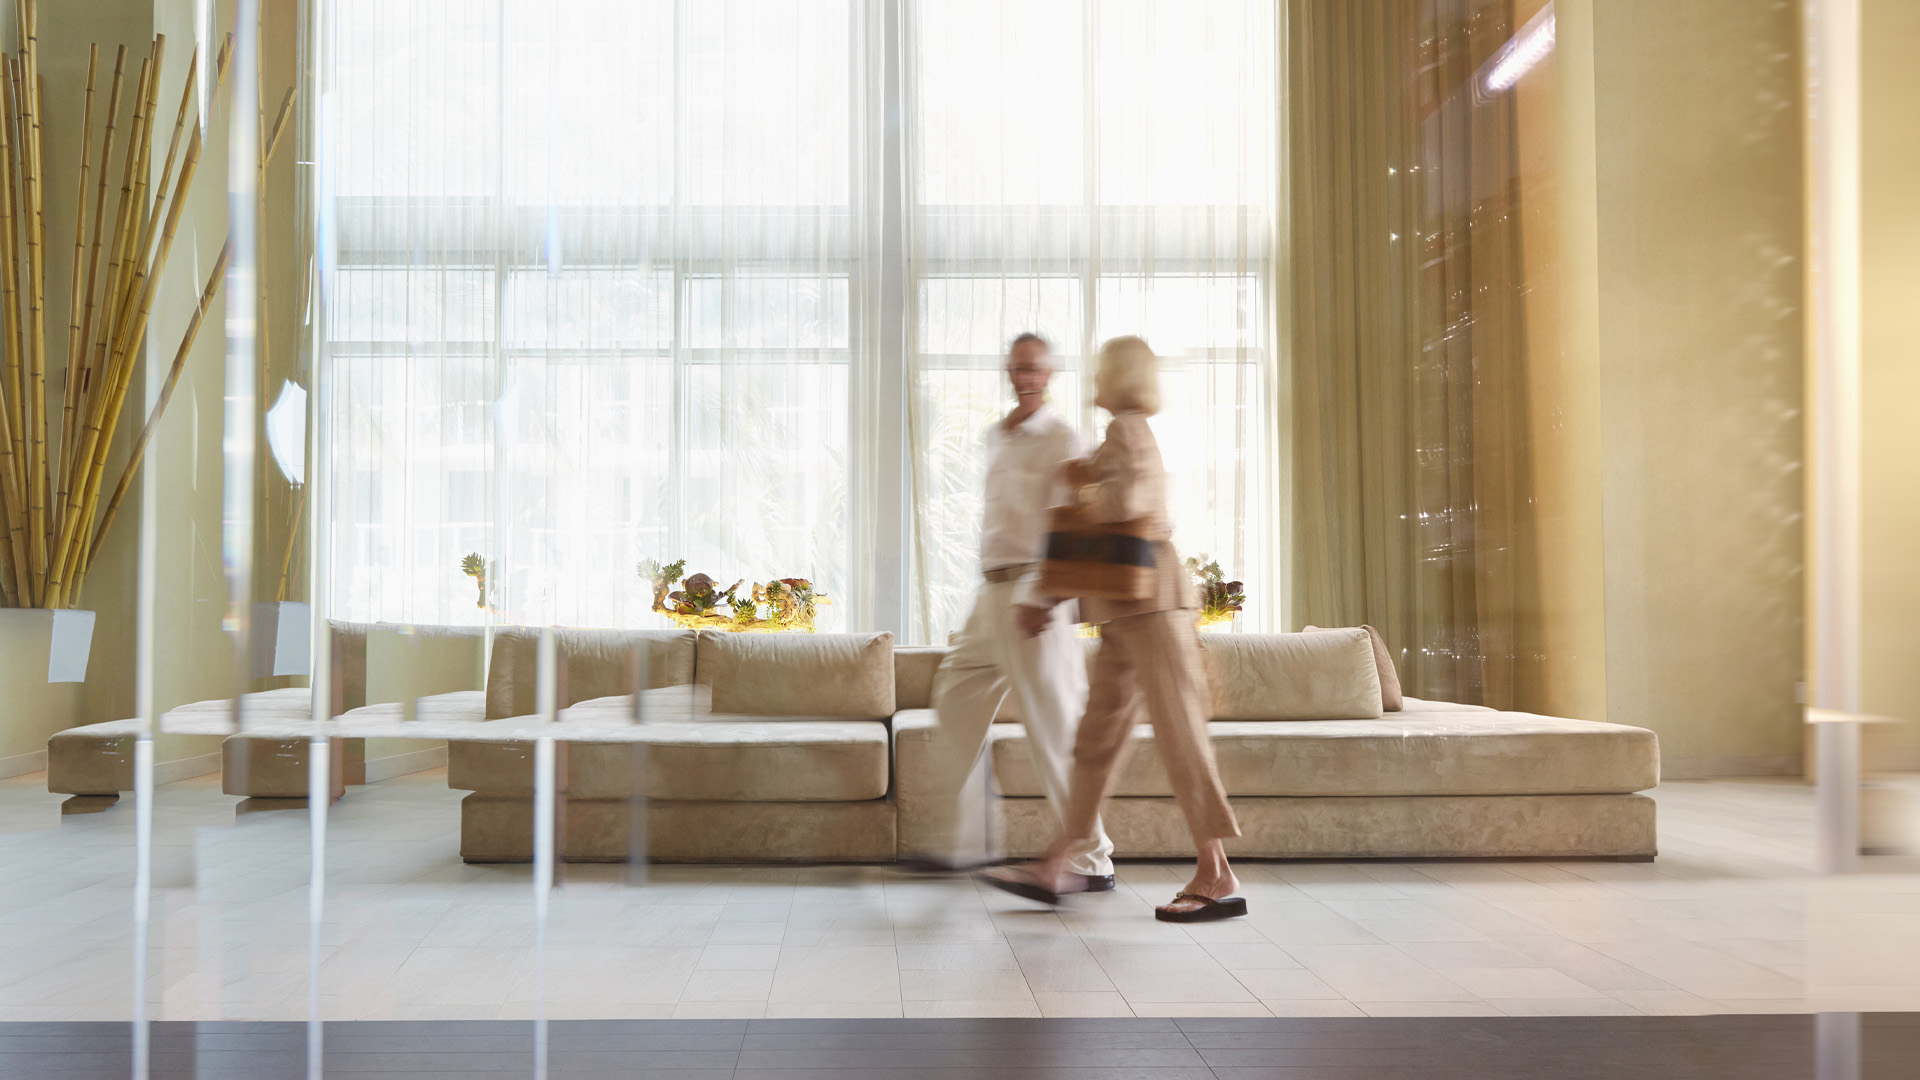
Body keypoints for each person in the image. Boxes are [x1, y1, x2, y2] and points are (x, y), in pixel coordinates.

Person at [980, 335, 1247, 923]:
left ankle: (1217, 872)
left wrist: (1084, 487)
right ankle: (1058, 861)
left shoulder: (1128, 427)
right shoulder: (1117, 435)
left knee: (1180, 738)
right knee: (1095, 741)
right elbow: (1101, 521)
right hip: (1124, 614)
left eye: (1100, 369)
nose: (1091, 377)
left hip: (1154, 609)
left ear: (1117, 375)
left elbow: (1127, 502)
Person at [903, 333, 1116, 891]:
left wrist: (1042, 596)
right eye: (1017, 367)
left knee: (1055, 726)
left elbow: (1071, 525)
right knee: (954, 696)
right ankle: (967, 845)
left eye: (1035, 368)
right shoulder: (996, 436)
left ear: (1050, 374)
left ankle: (1091, 859)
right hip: (990, 593)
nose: (1025, 376)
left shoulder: (1065, 439)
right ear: (1008, 370)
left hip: (1034, 595)